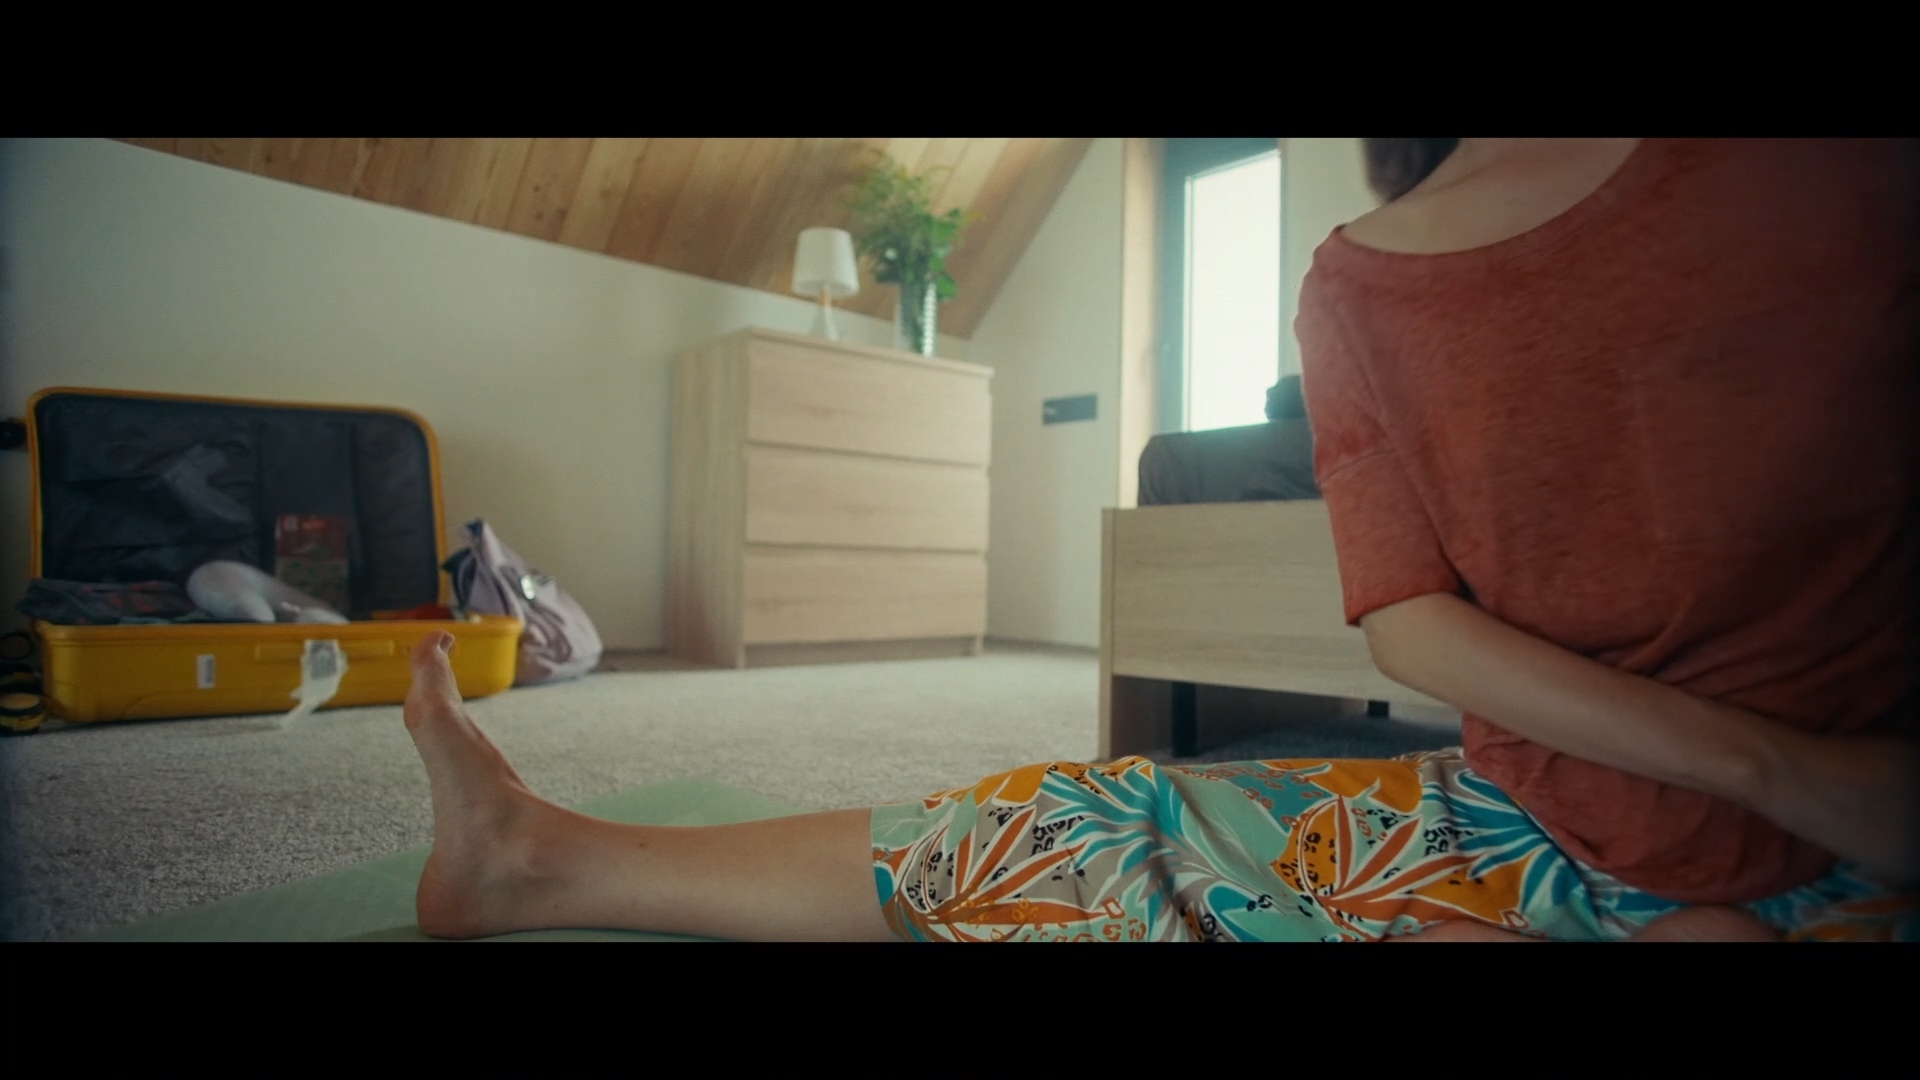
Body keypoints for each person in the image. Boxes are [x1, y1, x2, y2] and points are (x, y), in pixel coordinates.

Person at [397, 138, 1919, 942]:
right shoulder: (1360, 281)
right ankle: (537, 859)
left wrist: (1815, 783)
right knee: (1083, 823)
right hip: (1535, 830)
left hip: (1873, 844)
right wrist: (1761, 768)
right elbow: (1408, 618)